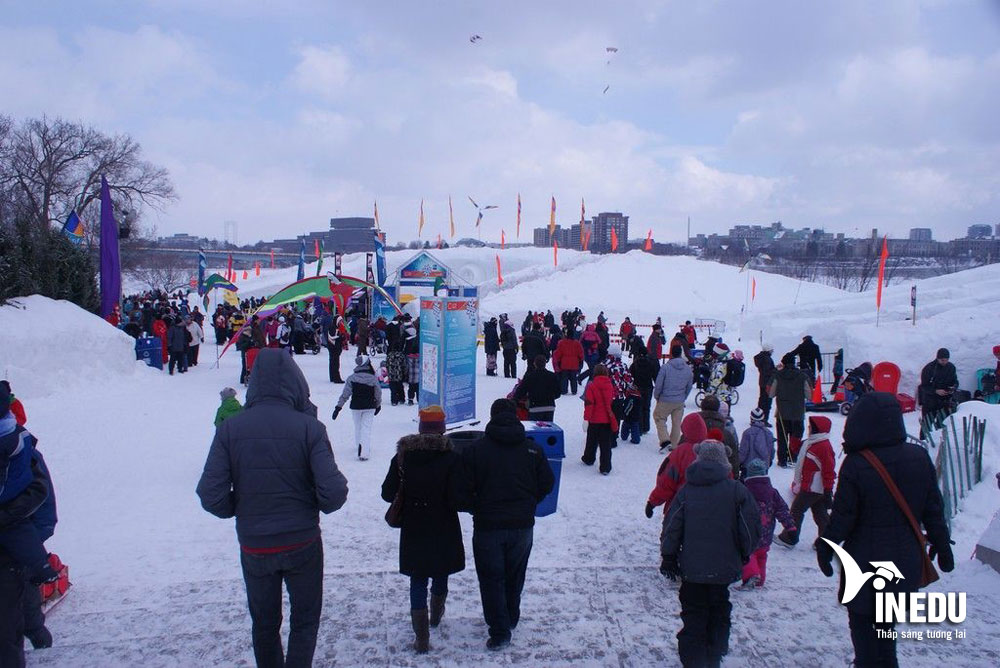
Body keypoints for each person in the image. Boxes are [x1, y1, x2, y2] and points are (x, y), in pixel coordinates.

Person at [196, 349, 349, 668]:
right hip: (302, 542)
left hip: (255, 546)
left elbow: (211, 495)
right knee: (305, 622)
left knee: (264, 625)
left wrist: (243, 511)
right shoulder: (309, 428)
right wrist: (311, 505)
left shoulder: (231, 428)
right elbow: (333, 493)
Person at [817, 392, 952, 668]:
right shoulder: (918, 456)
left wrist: (825, 544)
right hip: (905, 562)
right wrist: (942, 544)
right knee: (886, 629)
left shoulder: (856, 463)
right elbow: (933, 510)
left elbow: (843, 517)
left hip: (864, 564)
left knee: (864, 634)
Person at [463, 399, 555, 650]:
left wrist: (477, 507)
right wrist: (529, 502)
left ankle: (500, 628)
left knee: (491, 577)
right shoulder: (532, 450)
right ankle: (510, 615)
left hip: (487, 525)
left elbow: (463, 489)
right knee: (515, 573)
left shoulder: (475, 450)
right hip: (522, 524)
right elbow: (547, 483)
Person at [660, 440, 761, 668]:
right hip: (723, 568)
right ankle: (714, 654)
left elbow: (672, 526)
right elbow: (750, 528)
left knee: (693, 613)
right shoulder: (737, 491)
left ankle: (693, 659)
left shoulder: (687, 491)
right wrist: (745, 553)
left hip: (692, 569)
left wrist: (668, 556)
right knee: (719, 610)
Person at [381, 406, 469, 654]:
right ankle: (436, 615)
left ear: (421, 428)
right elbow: (458, 498)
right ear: (442, 429)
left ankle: (421, 637)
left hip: (414, 525)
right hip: (444, 524)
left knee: (418, 578)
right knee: (441, 571)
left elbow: (387, 492)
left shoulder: (402, 457)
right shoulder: (452, 458)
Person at [776, 415, 836, 548]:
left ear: (817, 429)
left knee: (796, 510)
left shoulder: (823, 446)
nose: (809, 428)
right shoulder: (812, 442)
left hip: (813, 487)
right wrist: (795, 435)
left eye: (811, 427)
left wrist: (828, 490)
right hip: (813, 486)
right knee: (820, 514)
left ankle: (789, 538)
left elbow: (829, 471)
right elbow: (796, 449)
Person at [740, 458, 795, 589]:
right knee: (762, 555)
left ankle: (752, 575)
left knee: (748, 553)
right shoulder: (772, 492)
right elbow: (782, 510)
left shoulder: (744, 491)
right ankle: (760, 579)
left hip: (749, 532)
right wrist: (790, 526)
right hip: (766, 532)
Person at [645, 413, 708, 518]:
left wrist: (653, 502)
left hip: (679, 507)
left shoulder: (681, 452)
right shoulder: (713, 450)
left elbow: (666, 481)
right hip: (707, 510)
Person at [332, 355, 383, 461]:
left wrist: (338, 407)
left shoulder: (352, 378)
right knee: (366, 428)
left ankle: (359, 444)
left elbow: (345, 394)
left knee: (358, 426)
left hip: (356, 406)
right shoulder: (373, 379)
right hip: (370, 406)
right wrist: (378, 405)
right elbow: (378, 393)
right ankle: (364, 452)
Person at [768, 353, 811, 468]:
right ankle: (793, 456)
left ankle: (782, 460)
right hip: (798, 411)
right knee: (796, 436)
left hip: (782, 412)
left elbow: (771, 393)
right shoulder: (802, 376)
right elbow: (809, 394)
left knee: (782, 437)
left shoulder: (778, 375)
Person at [652, 346, 693, 451]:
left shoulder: (665, 367)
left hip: (665, 399)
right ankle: (675, 444)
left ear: (671, 354)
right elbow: (689, 386)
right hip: (679, 400)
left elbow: (658, 384)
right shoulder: (688, 369)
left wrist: (657, 396)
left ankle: (665, 440)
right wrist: (683, 397)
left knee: (659, 418)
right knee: (676, 423)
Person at [582, 365, 618, 475]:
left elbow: (589, 404)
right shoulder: (610, 385)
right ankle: (605, 467)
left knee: (591, 441)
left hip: (594, 419)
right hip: (606, 419)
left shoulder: (591, 386)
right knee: (605, 444)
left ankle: (589, 458)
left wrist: (586, 419)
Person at [918, 347, 958, 436]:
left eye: (946, 360)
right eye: (942, 360)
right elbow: (923, 387)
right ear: (937, 358)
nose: (944, 362)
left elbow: (955, 381)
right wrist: (935, 391)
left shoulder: (951, 367)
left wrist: (953, 388)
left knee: (943, 424)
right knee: (927, 424)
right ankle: (924, 442)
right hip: (930, 401)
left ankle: (939, 442)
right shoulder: (929, 368)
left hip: (945, 400)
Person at [514, 355, 560, 422]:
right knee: (548, 429)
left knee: (535, 429)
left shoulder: (529, 376)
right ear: (545, 364)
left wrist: (515, 400)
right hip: (549, 406)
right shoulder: (552, 376)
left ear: (534, 364)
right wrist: (550, 397)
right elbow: (558, 392)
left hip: (534, 406)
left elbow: (521, 390)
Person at [629, 341, 659, 435]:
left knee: (638, 408)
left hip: (638, 387)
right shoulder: (651, 363)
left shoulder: (635, 363)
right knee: (647, 407)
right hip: (648, 387)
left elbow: (630, 374)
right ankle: (646, 427)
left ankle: (639, 427)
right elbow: (655, 376)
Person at [738, 407, 775, 478]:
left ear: (751, 418)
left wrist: (738, 463)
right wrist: (769, 461)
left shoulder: (747, 433)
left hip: (748, 467)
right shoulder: (768, 433)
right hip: (763, 467)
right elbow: (771, 450)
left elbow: (743, 452)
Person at [552, 328, 584, 395]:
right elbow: (581, 353)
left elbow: (558, 353)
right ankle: (574, 390)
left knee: (564, 377)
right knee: (573, 377)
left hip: (564, 363)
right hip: (574, 363)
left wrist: (558, 361)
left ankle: (564, 390)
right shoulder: (577, 343)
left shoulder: (562, 342)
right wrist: (581, 360)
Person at [753, 344, 775, 418]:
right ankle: (764, 418)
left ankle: (758, 416)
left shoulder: (760, 357)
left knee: (762, 400)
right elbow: (768, 372)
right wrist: (776, 370)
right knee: (767, 402)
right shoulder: (767, 359)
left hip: (762, 381)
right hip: (768, 383)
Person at [325, 313, 347, 383]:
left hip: (333, 347)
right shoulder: (333, 327)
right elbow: (332, 337)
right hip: (334, 348)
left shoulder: (334, 327)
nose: (341, 322)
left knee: (332, 362)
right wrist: (341, 337)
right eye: (340, 321)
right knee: (335, 363)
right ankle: (336, 378)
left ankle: (333, 377)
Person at [403, 323, 420, 405]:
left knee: (411, 389)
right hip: (419, 376)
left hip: (411, 377)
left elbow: (406, 366)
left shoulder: (409, 358)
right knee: (418, 389)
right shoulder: (420, 358)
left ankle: (410, 399)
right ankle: (419, 400)